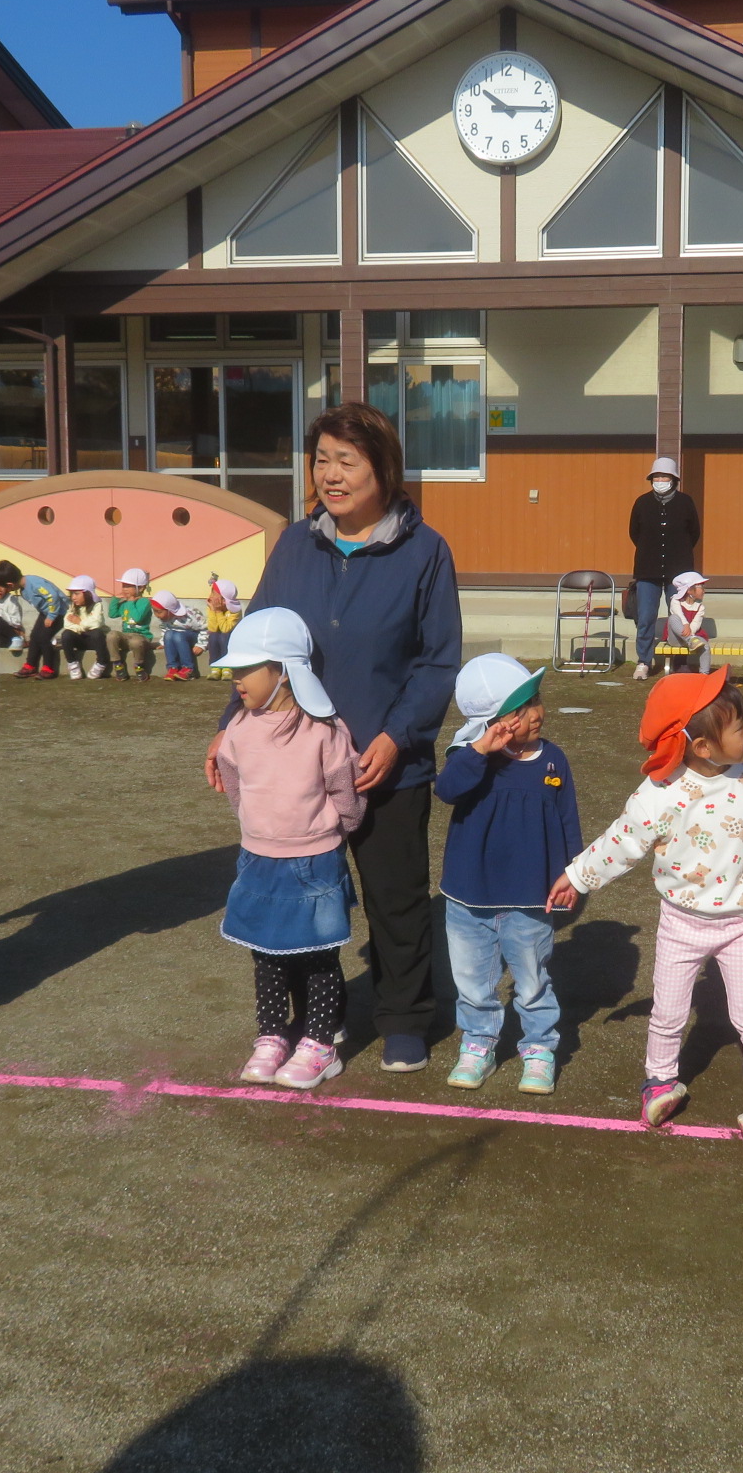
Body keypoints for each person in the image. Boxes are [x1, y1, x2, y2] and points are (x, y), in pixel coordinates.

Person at [205, 401, 460, 1075]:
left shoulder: (425, 552)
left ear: (384, 468)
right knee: (296, 900)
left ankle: (404, 1017)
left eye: (347, 460)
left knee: (395, 897)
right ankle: (305, 1024)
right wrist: (228, 725)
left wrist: (397, 737)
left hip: (384, 764)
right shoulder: (296, 544)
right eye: (322, 460)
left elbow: (437, 662)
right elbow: (255, 645)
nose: (331, 475)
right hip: (291, 765)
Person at [550, 669, 743, 1155]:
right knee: (667, 1013)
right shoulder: (661, 792)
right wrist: (578, 876)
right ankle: (660, 1081)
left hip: (741, 925)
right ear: (703, 746)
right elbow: (622, 840)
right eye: (739, 727)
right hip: (680, 924)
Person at [215, 608, 365, 1092]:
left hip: (315, 860)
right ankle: (272, 1037)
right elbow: (233, 780)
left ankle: (320, 1045)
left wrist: (331, 831)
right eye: (234, 670)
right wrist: (256, 826)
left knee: (319, 956)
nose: (236, 679)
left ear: (283, 670)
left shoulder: (324, 729)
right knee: (266, 955)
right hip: (258, 858)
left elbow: (344, 790)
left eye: (246, 668)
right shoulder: (239, 727)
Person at [435, 655, 582, 1096]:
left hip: (530, 897)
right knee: (472, 981)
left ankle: (539, 1048)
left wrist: (574, 874)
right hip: (468, 895)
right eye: (520, 710)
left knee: (532, 979)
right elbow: (446, 790)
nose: (535, 714)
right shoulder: (469, 758)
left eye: (535, 701)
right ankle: (478, 1043)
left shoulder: (553, 760)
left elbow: (567, 819)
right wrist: (481, 749)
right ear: (490, 721)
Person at [628, 456, 701, 681]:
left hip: (678, 571)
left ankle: (679, 660)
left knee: (679, 616)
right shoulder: (642, 502)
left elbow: (694, 533)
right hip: (647, 569)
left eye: (665, 477)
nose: (660, 480)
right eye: (657, 477)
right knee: (646, 617)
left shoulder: (685, 502)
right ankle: (644, 661)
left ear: (674, 479)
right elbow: (634, 533)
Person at [0, 560, 66, 679]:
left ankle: (49, 668)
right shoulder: (24, 589)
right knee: (35, 636)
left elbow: (53, 596)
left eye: (5, 587)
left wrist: (51, 616)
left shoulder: (34, 584)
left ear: (10, 585)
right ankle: (30, 666)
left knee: (44, 637)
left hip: (59, 612)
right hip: (46, 613)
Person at [104, 568, 160, 682]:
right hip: (126, 635)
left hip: (141, 637)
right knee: (111, 635)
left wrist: (131, 602)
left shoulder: (144, 602)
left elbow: (137, 618)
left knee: (135, 642)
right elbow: (112, 614)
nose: (124, 589)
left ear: (141, 588)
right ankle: (117, 663)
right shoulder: (125, 602)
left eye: (128, 586)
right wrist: (115, 599)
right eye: (123, 586)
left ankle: (138, 665)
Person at [58, 576, 109, 680]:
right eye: (72, 594)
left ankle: (101, 662)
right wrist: (84, 627)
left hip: (94, 641)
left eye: (77, 594)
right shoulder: (73, 606)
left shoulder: (97, 605)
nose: (73, 597)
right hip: (80, 639)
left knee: (97, 633)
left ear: (87, 594)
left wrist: (79, 622)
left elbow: (96, 623)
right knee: (66, 634)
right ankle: (72, 664)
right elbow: (67, 623)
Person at [662, 571, 711, 672]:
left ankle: (704, 674)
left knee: (705, 646)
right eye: (701, 587)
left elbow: (696, 623)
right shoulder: (675, 601)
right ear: (689, 590)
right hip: (676, 639)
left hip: (693, 637)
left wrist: (691, 634)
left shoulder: (700, 607)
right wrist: (686, 625)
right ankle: (690, 640)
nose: (704, 590)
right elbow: (679, 614)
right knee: (673, 618)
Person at [152, 589, 201, 680]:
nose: (157, 615)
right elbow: (165, 629)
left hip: (193, 636)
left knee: (178, 635)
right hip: (178, 638)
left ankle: (188, 668)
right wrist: (164, 643)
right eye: (154, 611)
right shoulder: (166, 618)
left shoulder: (189, 615)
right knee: (169, 634)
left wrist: (201, 645)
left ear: (169, 610)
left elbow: (205, 628)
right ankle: (173, 667)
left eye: (159, 612)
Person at [206, 576, 244, 678]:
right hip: (218, 636)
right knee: (213, 636)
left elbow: (226, 629)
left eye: (214, 594)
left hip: (232, 638)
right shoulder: (212, 608)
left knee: (224, 636)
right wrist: (213, 610)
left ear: (223, 599)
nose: (211, 597)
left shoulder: (234, 610)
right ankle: (216, 667)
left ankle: (227, 667)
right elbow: (212, 629)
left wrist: (218, 611)